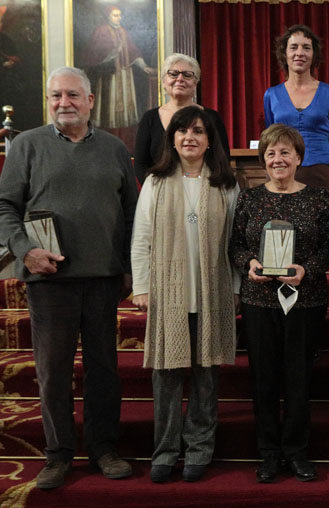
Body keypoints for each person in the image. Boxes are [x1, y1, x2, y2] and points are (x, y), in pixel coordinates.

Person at [0, 66, 137, 489]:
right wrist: (26, 251)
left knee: (103, 369)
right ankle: (58, 455)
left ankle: (103, 448)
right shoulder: (26, 145)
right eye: (56, 96)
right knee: (53, 371)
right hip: (50, 280)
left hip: (102, 279)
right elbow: (4, 207)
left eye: (73, 95)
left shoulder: (115, 148)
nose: (65, 103)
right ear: (48, 100)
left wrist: (131, 268)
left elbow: (133, 215)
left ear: (91, 100)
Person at [131, 106, 240, 483]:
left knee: (206, 377)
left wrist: (237, 287)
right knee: (167, 378)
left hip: (213, 292)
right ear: (172, 139)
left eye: (197, 131)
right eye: (182, 131)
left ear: (210, 140)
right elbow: (141, 237)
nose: (189, 137)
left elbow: (235, 242)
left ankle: (199, 449)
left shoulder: (226, 182)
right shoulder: (156, 182)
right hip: (168, 294)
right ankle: (164, 452)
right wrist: (142, 285)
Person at [229, 123, 329, 483]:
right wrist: (250, 264)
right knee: (264, 379)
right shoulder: (250, 198)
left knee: (299, 379)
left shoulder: (319, 198)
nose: (278, 159)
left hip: (305, 300)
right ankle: (269, 453)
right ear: (263, 160)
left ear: (299, 157)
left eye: (285, 152)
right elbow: (236, 246)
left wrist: (307, 269)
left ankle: (296, 452)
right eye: (271, 153)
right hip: (260, 300)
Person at [263, 24, 329, 197]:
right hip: (282, 175)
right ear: (285, 54)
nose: (300, 53)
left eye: (306, 48)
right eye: (293, 47)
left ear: (314, 55)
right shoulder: (271, 94)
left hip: (319, 173)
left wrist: (321, 163)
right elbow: (269, 138)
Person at [134, 53, 231, 185]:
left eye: (187, 75)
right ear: (163, 82)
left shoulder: (212, 118)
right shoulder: (149, 118)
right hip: (159, 193)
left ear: (195, 83)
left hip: (205, 190)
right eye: (173, 74)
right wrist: (156, 190)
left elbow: (222, 159)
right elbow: (141, 163)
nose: (180, 79)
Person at [83, 5, 155, 131]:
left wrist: (144, 66)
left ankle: (124, 129)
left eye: (120, 15)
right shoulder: (102, 31)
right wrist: (111, 55)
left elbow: (133, 51)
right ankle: (109, 126)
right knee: (108, 103)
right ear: (108, 16)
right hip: (109, 74)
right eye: (115, 15)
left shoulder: (122, 31)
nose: (118, 18)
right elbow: (95, 54)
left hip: (124, 73)